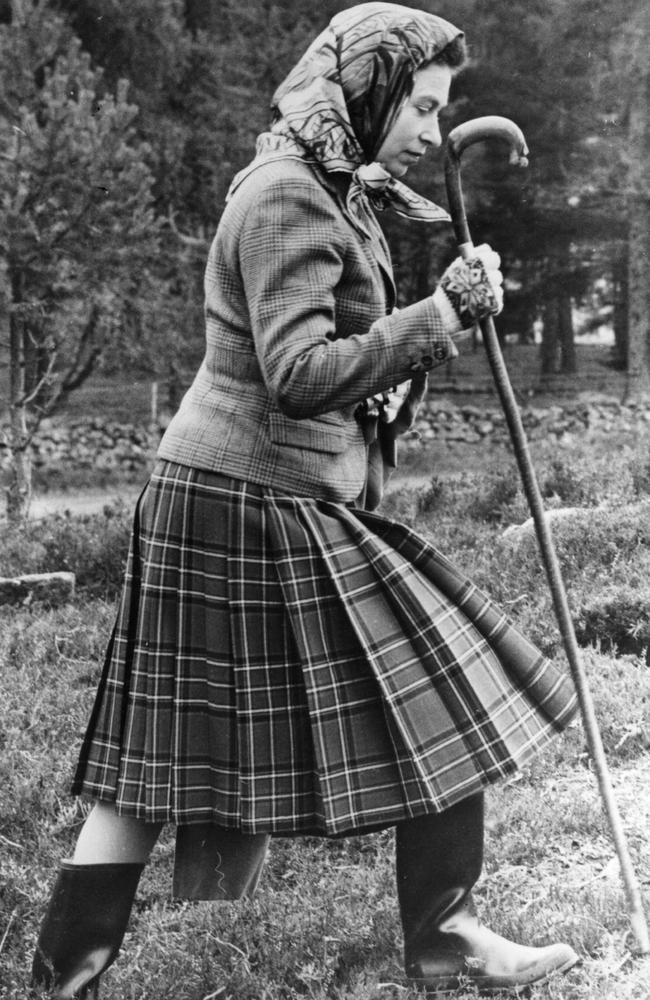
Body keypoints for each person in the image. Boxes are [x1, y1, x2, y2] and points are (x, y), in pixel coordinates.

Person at [32, 3, 580, 996]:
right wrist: (435, 312)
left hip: (246, 490)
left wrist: (444, 315)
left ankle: (136, 968)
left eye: (435, 110)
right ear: (364, 91)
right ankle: (75, 978)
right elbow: (296, 370)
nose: (426, 130)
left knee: (174, 759)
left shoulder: (333, 189)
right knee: (423, 680)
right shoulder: (287, 196)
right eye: (417, 105)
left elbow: (362, 366)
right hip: (241, 498)